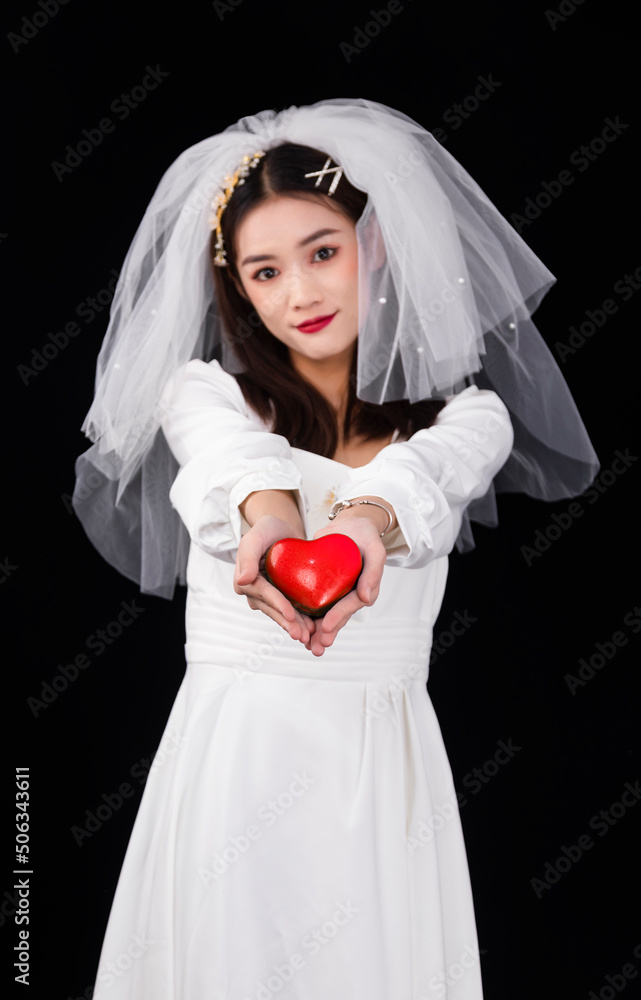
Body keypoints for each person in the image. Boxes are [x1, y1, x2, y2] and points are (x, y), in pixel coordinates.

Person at [73, 98, 599, 999]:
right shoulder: (203, 394)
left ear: (376, 245)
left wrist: (359, 530)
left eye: (323, 251)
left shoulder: (471, 418)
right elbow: (234, 465)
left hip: (376, 772)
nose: (301, 293)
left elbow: (418, 479)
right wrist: (272, 524)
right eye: (264, 271)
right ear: (237, 287)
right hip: (235, 759)